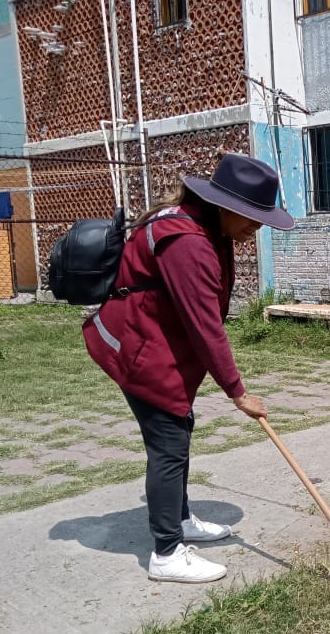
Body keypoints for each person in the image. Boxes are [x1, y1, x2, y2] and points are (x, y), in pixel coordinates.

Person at [84, 153, 295, 583]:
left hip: (157, 346)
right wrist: (237, 391)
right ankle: (166, 553)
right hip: (143, 352)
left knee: (177, 431)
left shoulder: (202, 224)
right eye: (252, 218)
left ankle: (179, 521)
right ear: (226, 206)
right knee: (168, 446)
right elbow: (206, 327)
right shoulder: (189, 242)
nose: (255, 229)